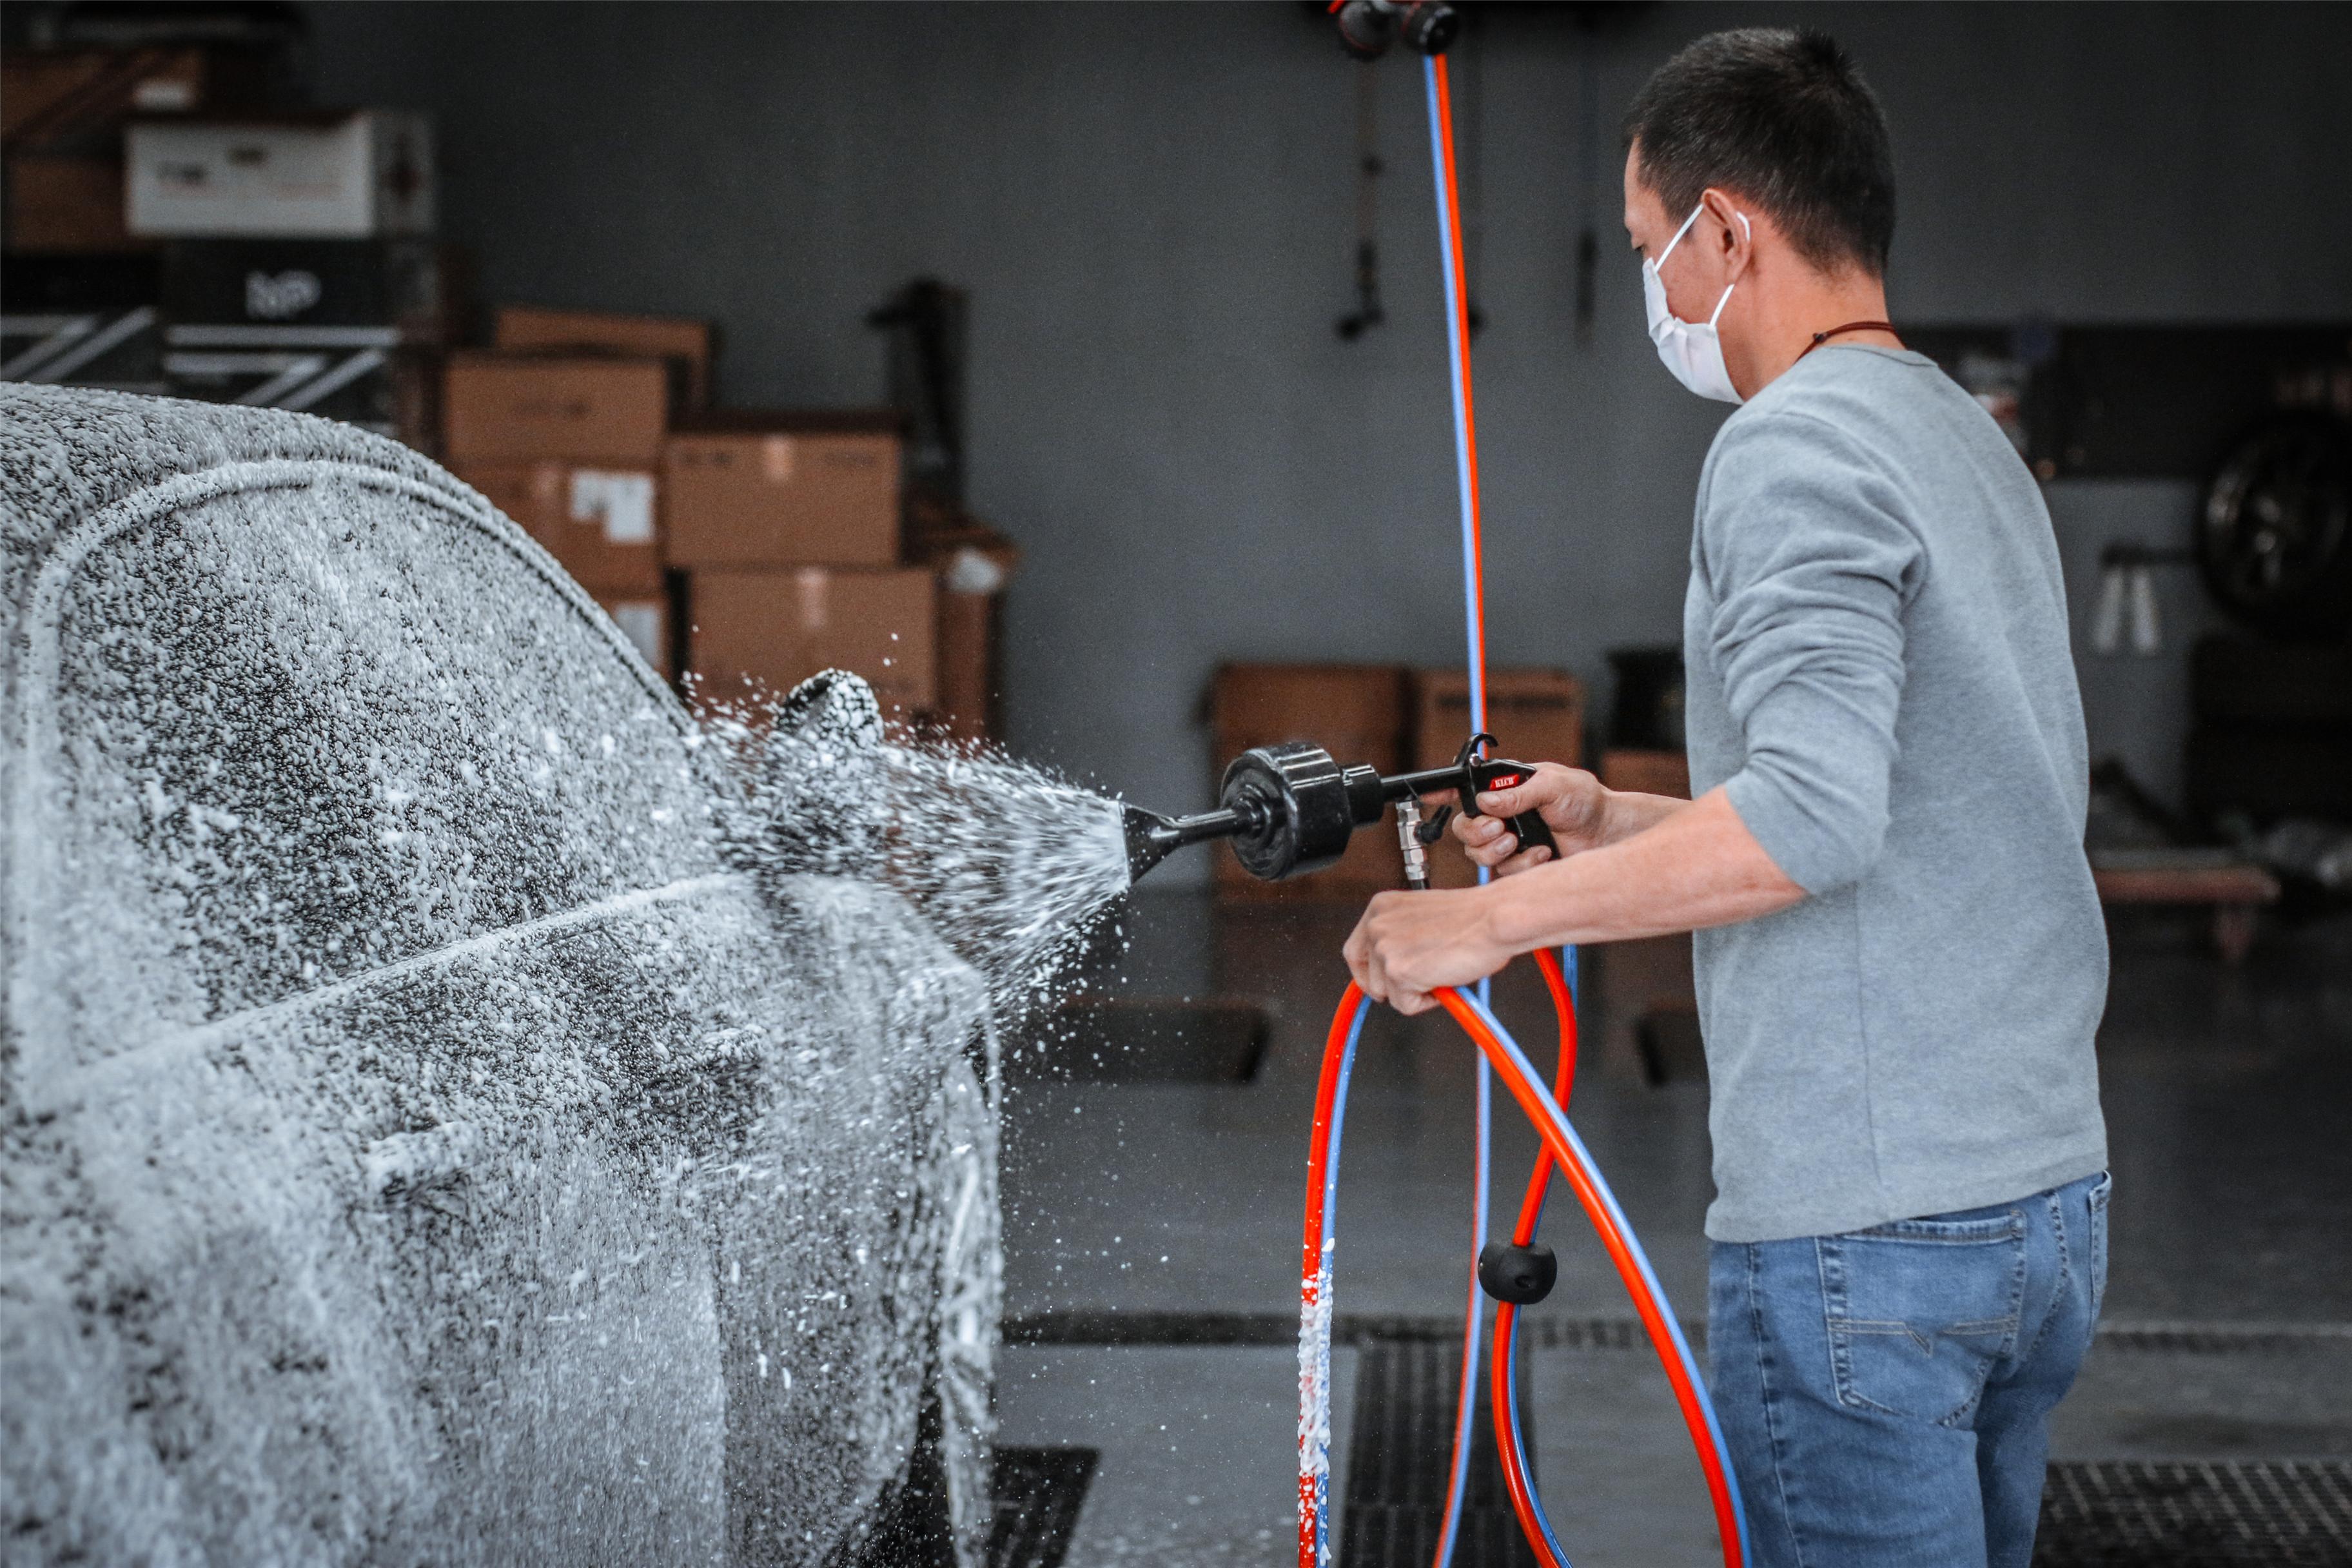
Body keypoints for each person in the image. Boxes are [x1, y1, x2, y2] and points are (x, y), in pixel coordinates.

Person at [1342, 28, 2110, 1568]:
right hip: (2040, 1208)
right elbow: (1905, 791)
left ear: (1731, 232)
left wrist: (1484, 921)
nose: (1659, 292)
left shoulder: (1791, 449)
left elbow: (1808, 828)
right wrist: (1611, 817)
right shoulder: (1967, 442)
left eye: (1652, 249)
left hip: (1868, 1234)